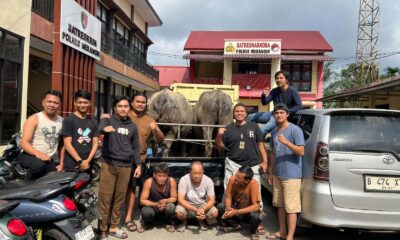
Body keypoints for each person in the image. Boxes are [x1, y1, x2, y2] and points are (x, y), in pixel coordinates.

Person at [215, 102, 267, 235]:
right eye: (237, 111)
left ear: (246, 113)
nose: (239, 113)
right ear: (233, 114)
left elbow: (261, 145)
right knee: (229, 191)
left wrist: (265, 161)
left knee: (257, 194)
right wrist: (219, 135)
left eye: (242, 111)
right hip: (233, 163)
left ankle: (258, 222)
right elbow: (218, 146)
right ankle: (229, 219)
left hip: (253, 164)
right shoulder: (227, 129)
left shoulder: (254, 126)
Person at [97, 96, 141, 240]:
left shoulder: (132, 126)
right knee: (105, 198)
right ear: (115, 108)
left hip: (126, 166)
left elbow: (135, 147)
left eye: (126, 106)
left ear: (130, 108)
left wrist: (138, 165)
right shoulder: (108, 120)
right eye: (120, 106)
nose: (123, 109)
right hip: (109, 164)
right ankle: (102, 229)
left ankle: (114, 227)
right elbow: (100, 127)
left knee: (119, 199)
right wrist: (105, 128)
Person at [124, 93, 165, 232]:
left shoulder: (149, 119)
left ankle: (129, 218)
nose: (140, 104)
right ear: (132, 103)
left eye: (143, 102)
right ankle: (113, 218)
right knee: (119, 190)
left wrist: (156, 129)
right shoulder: (125, 115)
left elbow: (161, 139)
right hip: (121, 159)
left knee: (133, 189)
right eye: (138, 102)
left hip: (139, 161)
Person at [266, 103, 305, 240]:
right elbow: (272, 153)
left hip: (292, 175)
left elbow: (301, 151)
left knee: (291, 207)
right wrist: (271, 172)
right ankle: (282, 231)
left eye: (282, 112)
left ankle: (290, 236)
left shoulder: (295, 130)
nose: (279, 115)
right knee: (280, 205)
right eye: (276, 113)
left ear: (287, 114)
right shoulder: (274, 131)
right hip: (277, 173)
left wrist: (287, 143)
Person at [18, 89, 64, 179]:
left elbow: (61, 145)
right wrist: (39, 154)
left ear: (59, 105)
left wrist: (62, 163)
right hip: (29, 156)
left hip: (47, 159)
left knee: (53, 180)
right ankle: (25, 186)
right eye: (49, 101)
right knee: (38, 166)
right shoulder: (34, 118)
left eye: (55, 103)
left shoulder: (62, 121)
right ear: (43, 103)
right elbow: (23, 143)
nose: (52, 105)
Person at [247, 71, 303, 137]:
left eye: (281, 78)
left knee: (262, 130)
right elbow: (265, 102)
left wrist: (285, 111)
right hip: (272, 113)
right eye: (277, 78)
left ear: (286, 80)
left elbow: (299, 106)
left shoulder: (292, 91)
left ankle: (257, 142)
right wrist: (263, 95)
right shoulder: (274, 91)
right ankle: (248, 135)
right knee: (250, 117)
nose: (278, 80)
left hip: (280, 117)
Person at [60, 90, 99, 177]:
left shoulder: (93, 120)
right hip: (72, 164)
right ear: (75, 103)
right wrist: (80, 161)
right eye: (80, 102)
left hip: (88, 164)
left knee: (86, 189)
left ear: (90, 103)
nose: (82, 105)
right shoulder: (69, 119)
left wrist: (87, 161)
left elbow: (95, 143)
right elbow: (67, 144)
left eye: (85, 102)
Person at [217, 166, 262, 240]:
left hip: (247, 214)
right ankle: (235, 225)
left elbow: (256, 206)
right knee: (221, 206)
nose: (236, 179)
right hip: (236, 210)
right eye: (236, 176)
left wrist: (236, 212)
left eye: (238, 178)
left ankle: (253, 232)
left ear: (247, 181)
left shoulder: (253, 184)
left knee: (256, 216)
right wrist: (228, 209)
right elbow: (228, 196)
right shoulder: (232, 179)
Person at [175, 161, 218, 232]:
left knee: (215, 213)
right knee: (179, 213)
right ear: (190, 171)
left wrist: (203, 209)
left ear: (203, 171)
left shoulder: (208, 180)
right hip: (187, 204)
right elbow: (180, 199)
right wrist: (195, 210)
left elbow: (212, 200)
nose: (197, 176)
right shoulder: (184, 179)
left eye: (199, 173)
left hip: (201, 204)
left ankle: (201, 220)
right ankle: (184, 222)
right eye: (195, 173)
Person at [137, 163, 177, 233]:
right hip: (152, 206)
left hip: (165, 206)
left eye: (164, 176)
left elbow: (174, 198)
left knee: (171, 207)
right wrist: (156, 204)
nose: (162, 178)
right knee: (146, 211)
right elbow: (142, 200)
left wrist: (165, 201)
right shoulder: (148, 182)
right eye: (159, 176)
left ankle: (167, 223)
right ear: (154, 175)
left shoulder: (171, 181)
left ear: (167, 175)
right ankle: (146, 224)